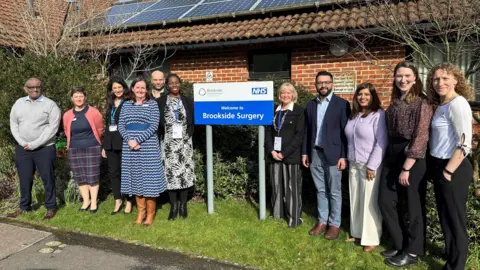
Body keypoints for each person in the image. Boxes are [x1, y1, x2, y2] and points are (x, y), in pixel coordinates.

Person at [379, 61, 434, 267]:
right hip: (392, 155)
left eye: (407, 76)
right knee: (385, 201)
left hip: (412, 158)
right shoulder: (394, 103)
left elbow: (420, 136)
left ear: (415, 78)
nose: (403, 80)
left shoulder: (422, 103)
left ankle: (413, 251)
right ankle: (401, 243)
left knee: (413, 206)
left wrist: (407, 167)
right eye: (399, 76)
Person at [426, 63, 474, 270]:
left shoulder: (458, 103)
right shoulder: (441, 105)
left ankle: (457, 265)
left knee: (455, 219)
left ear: (456, 80)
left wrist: (448, 171)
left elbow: (465, 144)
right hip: (440, 167)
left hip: (453, 168)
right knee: (445, 216)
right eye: (436, 79)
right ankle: (451, 255)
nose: (440, 83)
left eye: (445, 78)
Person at [302, 70, 351, 240]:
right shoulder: (310, 105)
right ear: (316, 85)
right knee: (320, 189)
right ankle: (322, 221)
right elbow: (307, 131)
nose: (323, 85)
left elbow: (346, 133)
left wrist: (344, 155)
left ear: (332, 84)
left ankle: (334, 224)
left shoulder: (342, 104)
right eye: (320, 83)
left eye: (326, 82)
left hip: (334, 154)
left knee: (335, 191)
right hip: (315, 153)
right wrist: (304, 153)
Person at [8, 77, 61, 220]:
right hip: (22, 148)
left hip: (44, 148)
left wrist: (34, 144)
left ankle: (51, 207)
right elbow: (13, 123)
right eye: (31, 87)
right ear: (25, 89)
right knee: (24, 178)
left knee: (47, 178)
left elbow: (52, 129)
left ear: (41, 88)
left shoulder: (50, 105)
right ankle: (24, 206)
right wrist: (21, 141)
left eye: (37, 86)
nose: (35, 89)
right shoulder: (18, 103)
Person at [344, 83, 387, 252]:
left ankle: (372, 238)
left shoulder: (378, 115)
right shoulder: (354, 115)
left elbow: (381, 141)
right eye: (360, 94)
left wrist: (372, 165)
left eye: (367, 94)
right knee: (356, 199)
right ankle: (357, 232)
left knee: (369, 202)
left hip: (370, 165)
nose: (363, 97)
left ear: (373, 96)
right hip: (354, 163)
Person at [118, 77, 166, 226]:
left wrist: (137, 140)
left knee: (149, 181)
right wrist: (130, 141)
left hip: (148, 146)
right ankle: (140, 213)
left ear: (147, 90)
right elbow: (121, 125)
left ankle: (150, 215)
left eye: (143, 88)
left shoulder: (152, 104)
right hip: (130, 147)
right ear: (132, 89)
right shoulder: (126, 105)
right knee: (136, 181)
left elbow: (153, 126)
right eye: (137, 87)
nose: (140, 90)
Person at [265, 82, 304, 228]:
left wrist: (284, 153)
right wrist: (272, 151)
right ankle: (277, 214)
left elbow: (299, 136)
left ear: (293, 94)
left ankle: (294, 219)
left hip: (291, 155)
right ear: (279, 95)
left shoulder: (299, 111)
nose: (285, 95)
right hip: (274, 155)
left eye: (289, 92)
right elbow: (268, 133)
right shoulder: (274, 111)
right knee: (276, 185)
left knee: (292, 187)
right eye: (283, 93)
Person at [157, 73, 195, 220]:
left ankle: (183, 206)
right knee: (171, 175)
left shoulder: (187, 100)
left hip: (185, 143)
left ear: (180, 84)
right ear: (167, 85)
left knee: (184, 174)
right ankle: (173, 206)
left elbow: (192, 119)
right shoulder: (161, 101)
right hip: (168, 144)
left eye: (176, 82)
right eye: (171, 83)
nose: (174, 85)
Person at [63, 87, 104, 214]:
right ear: (72, 99)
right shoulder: (67, 115)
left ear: (85, 97)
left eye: (81, 96)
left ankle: (94, 202)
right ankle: (85, 201)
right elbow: (66, 130)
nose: (79, 98)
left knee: (92, 175)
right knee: (80, 176)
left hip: (92, 147)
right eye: (76, 96)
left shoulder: (94, 112)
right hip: (74, 148)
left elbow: (100, 128)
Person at [102, 78, 133, 215]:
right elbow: (107, 125)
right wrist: (104, 146)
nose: (118, 90)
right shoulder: (109, 104)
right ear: (111, 90)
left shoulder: (129, 102)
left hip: (124, 142)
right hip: (110, 143)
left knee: (127, 172)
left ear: (124, 87)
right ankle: (118, 199)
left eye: (120, 87)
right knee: (113, 173)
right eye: (115, 88)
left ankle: (130, 200)